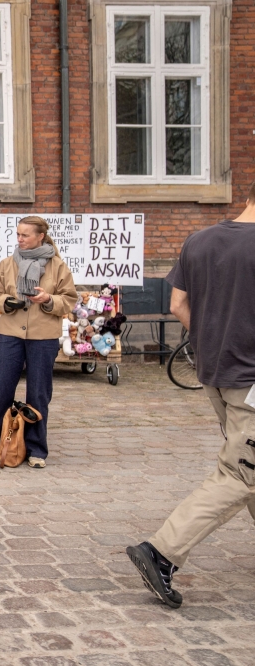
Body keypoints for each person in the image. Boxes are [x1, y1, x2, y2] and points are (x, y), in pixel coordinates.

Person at [125, 182, 255, 609]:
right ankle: (162, 551)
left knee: (246, 460)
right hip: (252, 379)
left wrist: (211, 336)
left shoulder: (199, 240)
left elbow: (179, 304)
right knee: (240, 472)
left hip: (215, 371)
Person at [0, 216, 77, 468]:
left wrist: (49, 299)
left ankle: (36, 450)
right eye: (18, 234)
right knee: (0, 387)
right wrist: (4, 302)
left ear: (40, 236)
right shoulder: (7, 264)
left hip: (43, 337)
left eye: (25, 235)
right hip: (11, 333)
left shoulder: (58, 266)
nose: (20, 239)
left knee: (38, 392)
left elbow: (69, 299)